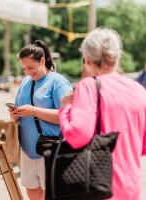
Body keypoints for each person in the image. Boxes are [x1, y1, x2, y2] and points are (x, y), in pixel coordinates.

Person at [59, 28, 146, 200]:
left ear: (88, 60)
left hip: (97, 188)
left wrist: (65, 108)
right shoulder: (138, 90)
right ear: (117, 57)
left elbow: (77, 136)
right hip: (131, 189)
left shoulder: (89, 86)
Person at [9, 40, 72, 200]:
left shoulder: (57, 82)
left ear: (42, 61)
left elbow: (66, 116)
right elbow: (21, 109)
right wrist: (15, 114)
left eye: (31, 67)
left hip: (50, 151)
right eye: (24, 69)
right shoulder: (25, 82)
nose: (28, 72)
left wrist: (33, 111)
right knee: (32, 193)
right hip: (27, 151)